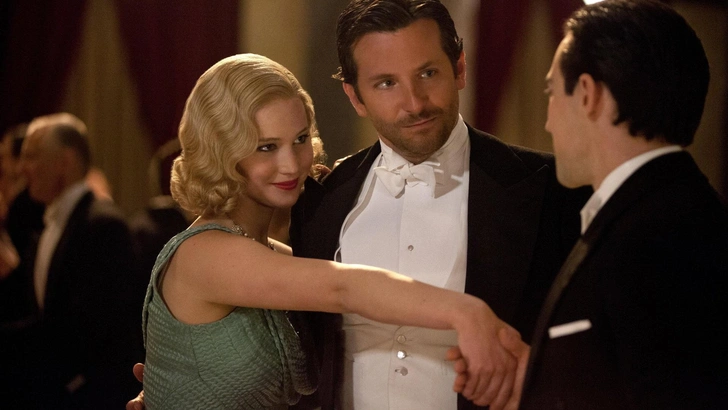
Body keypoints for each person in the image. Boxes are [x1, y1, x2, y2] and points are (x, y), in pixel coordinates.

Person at [138, 53, 524, 410]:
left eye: (300, 140)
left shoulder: (271, 254)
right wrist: (468, 313)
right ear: (221, 151)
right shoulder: (204, 253)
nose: (291, 164)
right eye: (266, 147)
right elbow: (343, 288)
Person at [289, 1, 588, 409]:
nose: (414, 103)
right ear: (355, 97)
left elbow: (599, 344)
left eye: (427, 74)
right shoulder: (319, 200)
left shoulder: (552, 190)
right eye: (386, 83)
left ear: (460, 68)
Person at [516, 1, 728, 408]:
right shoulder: (665, 214)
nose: (547, 122)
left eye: (551, 92)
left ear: (588, 94)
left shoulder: (662, 238)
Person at [6, 112, 143, 408]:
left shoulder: (104, 225)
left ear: (64, 162)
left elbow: (93, 330)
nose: (21, 168)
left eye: (32, 156)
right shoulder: (49, 222)